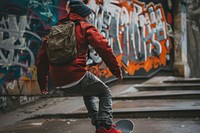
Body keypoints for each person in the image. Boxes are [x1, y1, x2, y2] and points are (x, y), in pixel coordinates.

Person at [36, 0, 123, 133]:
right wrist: (116, 70)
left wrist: (43, 83)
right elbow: (104, 48)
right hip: (75, 76)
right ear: (83, 15)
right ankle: (105, 126)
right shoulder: (85, 27)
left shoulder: (56, 30)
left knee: (89, 93)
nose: (89, 19)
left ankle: (98, 121)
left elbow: (41, 58)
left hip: (58, 80)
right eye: (88, 16)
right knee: (105, 92)